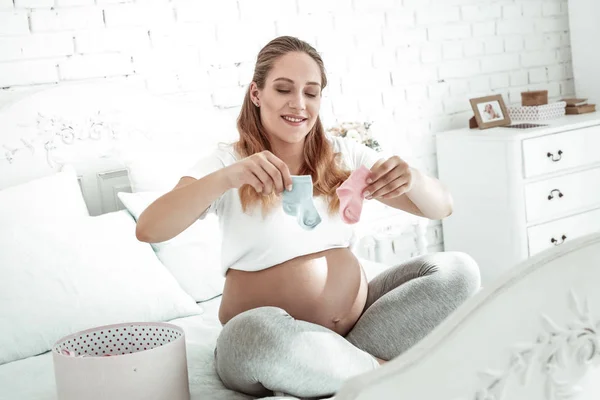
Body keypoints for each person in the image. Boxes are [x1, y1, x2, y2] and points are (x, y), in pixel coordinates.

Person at [135, 36, 480, 399]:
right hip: (265, 338)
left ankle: (344, 366)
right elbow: (150, 228)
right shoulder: (227, 162)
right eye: (283, 89)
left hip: (357, 325)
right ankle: (384, 371)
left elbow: (441, 207)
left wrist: (413, 178)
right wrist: (228, 178)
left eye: (311, 93)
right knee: (257, 336)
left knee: (458, 270)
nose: (298, 104)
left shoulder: (343, 154)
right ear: (256, 93)